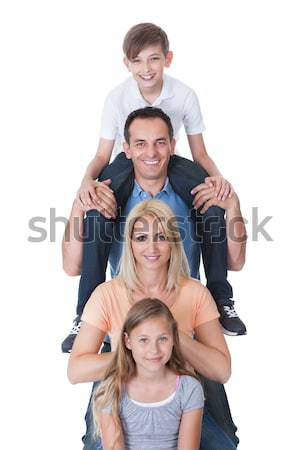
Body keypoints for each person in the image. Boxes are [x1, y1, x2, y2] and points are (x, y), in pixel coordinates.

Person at [62, 22, 247, 349]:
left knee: (212, 202)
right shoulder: (118, 98)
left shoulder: (184, 95)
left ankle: (220, 297)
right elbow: (102, 154)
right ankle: (85, 315)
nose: (146, 69)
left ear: (167, 59)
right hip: (121, 163)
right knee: (98, 211)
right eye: (138, 61)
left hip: (174, 165)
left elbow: (199, 151)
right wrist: (84, 187)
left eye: (154, 59)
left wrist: (220, 185)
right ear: (127, 64)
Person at [68, 199, 237, 450]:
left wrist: (173, 336)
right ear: (130, 243)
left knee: (224, 445)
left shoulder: (194, 293)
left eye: (161, 236)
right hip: (123, 397)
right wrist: (134, 355)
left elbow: (221, 370)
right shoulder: (107, 294)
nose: (152, 247)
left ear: (173, 242)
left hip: (178, 399)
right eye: (141, 237)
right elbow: (76, 370)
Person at [93, 298, 204, 450]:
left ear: (173, 338)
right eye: (144, 340)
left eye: (162, 339)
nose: (154, 350)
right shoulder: (111, 390)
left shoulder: (189, 389)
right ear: (128, 341)